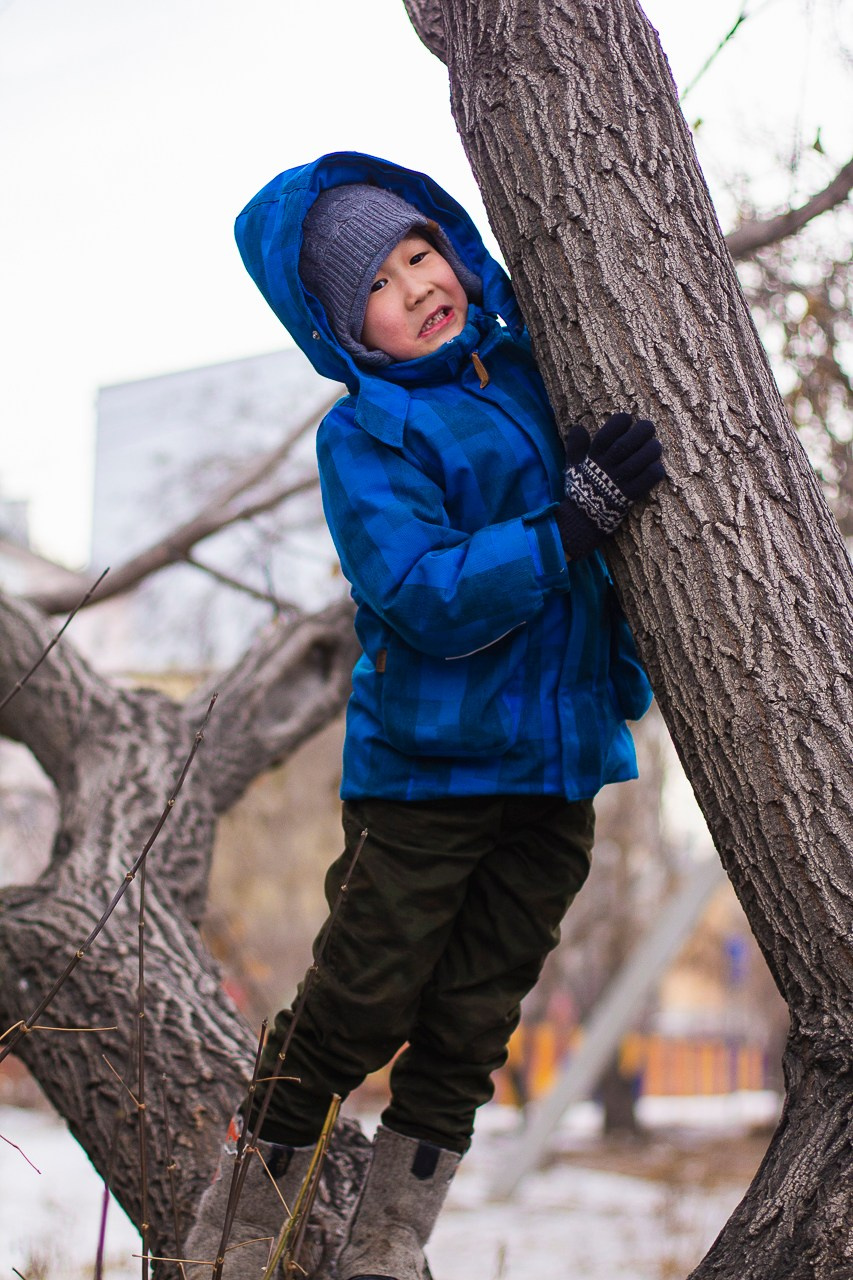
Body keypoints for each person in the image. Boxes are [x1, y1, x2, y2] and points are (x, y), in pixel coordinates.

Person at [186, 151, 664, 1280]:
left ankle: (387, 1245)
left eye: (418, 253)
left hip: (554, 772)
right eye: (379, 288)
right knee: (360, 998)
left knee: (471, 1018)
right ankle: (236, 1219)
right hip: (426, 776)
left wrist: (625, 680)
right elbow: (421, 591)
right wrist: (568, 525)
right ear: (346, 334)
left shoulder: (537, 375)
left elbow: (609, 588)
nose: (414, 284)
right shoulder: (368, 437)